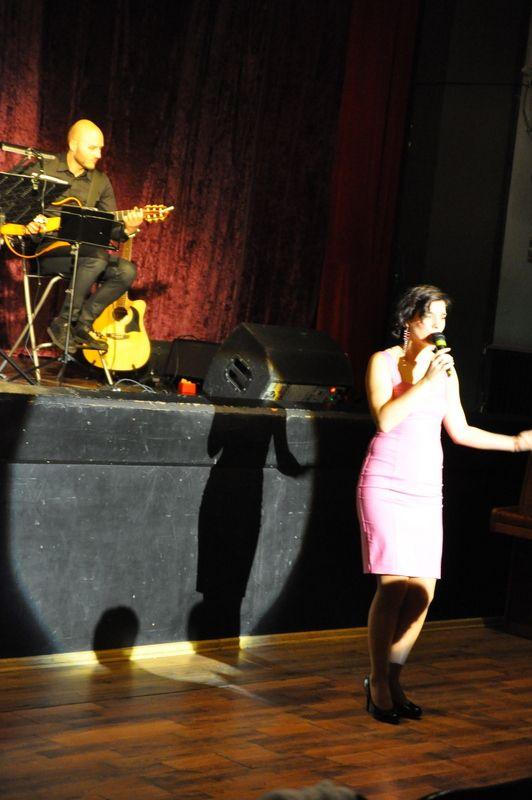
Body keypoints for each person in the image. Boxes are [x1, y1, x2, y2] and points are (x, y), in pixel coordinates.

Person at [356, 284, 532, 724]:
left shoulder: (446, 371)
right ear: (407, 319)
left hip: (425, 489)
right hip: (386, 483)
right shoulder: (383, 362)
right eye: (430, 316)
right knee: (393, 586)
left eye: (443, 317)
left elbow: (461, 431)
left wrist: (516, 443)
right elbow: (386, 419)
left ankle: (394, 678)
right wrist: (425, 382)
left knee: (423, 592)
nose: (439, 325)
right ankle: (377, 683)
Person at [24, 119, 143, 353]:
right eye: (92, 148)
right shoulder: (44, 169)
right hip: (46, 251)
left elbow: (110, 228)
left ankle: (81, 325)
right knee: (96, 256)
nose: (99, 154)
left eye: (101, 148)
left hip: (85, 254)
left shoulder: (100, 181)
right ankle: (64, 322)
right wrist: (29, 220)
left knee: (127, 271)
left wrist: (128, 229)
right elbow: (11, 202)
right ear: (73, 145)